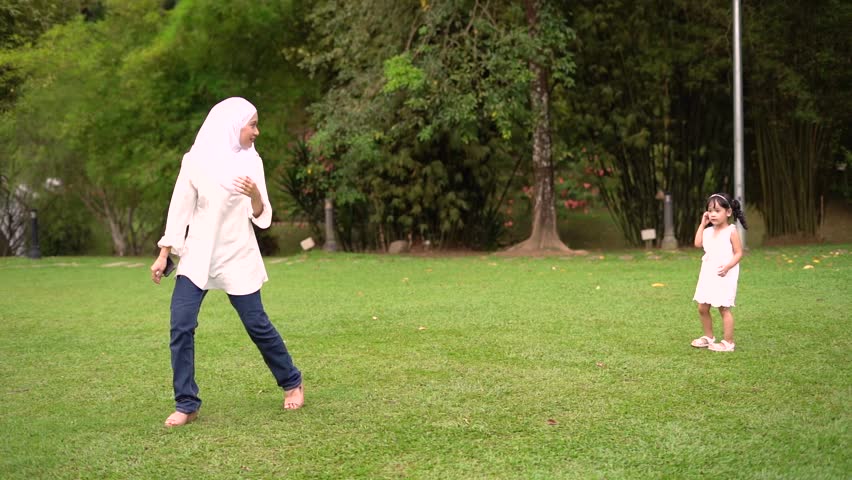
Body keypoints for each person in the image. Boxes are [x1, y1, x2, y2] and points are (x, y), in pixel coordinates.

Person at [150, 97, 304, 427]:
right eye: (253, 125)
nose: (257, 132)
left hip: (237, 253)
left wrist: (255, 195)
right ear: (232, 125)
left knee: (256, 323)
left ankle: (292, 381)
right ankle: (186, 403)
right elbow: (180, 207)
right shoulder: (194, 160)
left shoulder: (251, 161)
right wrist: (165, 254)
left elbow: (262, 216)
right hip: (198, 255)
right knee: (181, 324)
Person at [690, 192, 748, 352]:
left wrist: (728, 266)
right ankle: (708, 337)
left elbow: (739, 253)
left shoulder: (731, 231)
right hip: (708, 274)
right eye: (710, 210)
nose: (712, 214)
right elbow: (697, 243)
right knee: (702, 308)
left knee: (723, 309)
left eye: (717, 210)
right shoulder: (707, 231)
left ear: (728, 212)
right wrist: (702, 224)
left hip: (724, 275)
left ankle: (728, 342)